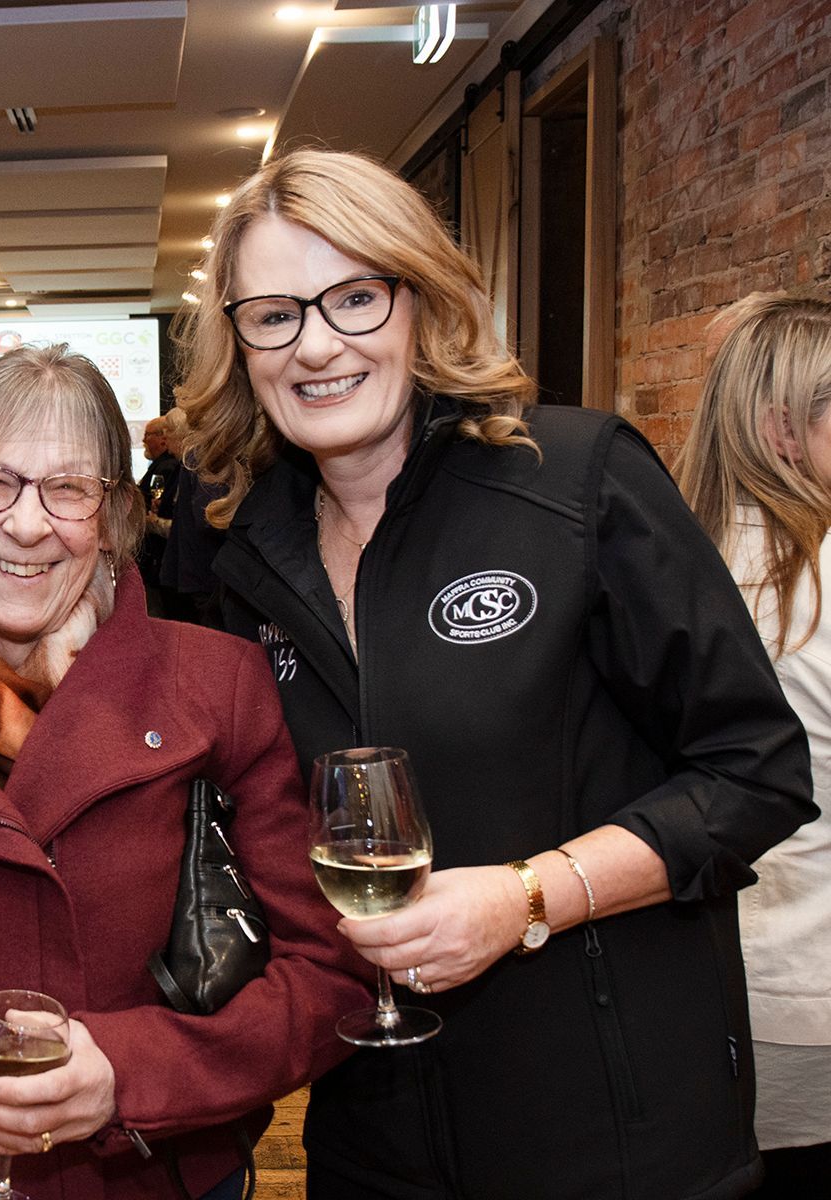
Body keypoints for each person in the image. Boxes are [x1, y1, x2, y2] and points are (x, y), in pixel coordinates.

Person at [174, 148, 815, 1199]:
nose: (318, 344)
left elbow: (758, 773)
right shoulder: (246, 550)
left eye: (354, 298)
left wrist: (530, 897)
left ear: (419, 304)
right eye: (275, 314)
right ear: (238, 341)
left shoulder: (573, 482)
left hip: (610, 1131)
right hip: (372, 1131)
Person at [0, 344, 370, 1200]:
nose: (26, 525)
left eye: (68, 490)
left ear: (117, 515)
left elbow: (327, 975)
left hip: (146, 1175)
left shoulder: (216, 686)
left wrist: (131, 1075)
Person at [677, 292, 831, 1199]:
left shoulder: (679, 561)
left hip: (712, 989)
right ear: (782, 430)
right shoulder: (815, 577)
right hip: (811, 996)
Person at [136, 414, 181, 615]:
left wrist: (151, 519)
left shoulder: (168, 467)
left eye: (148, 435)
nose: (143, 440)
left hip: (164, 557)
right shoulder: (161, 465)